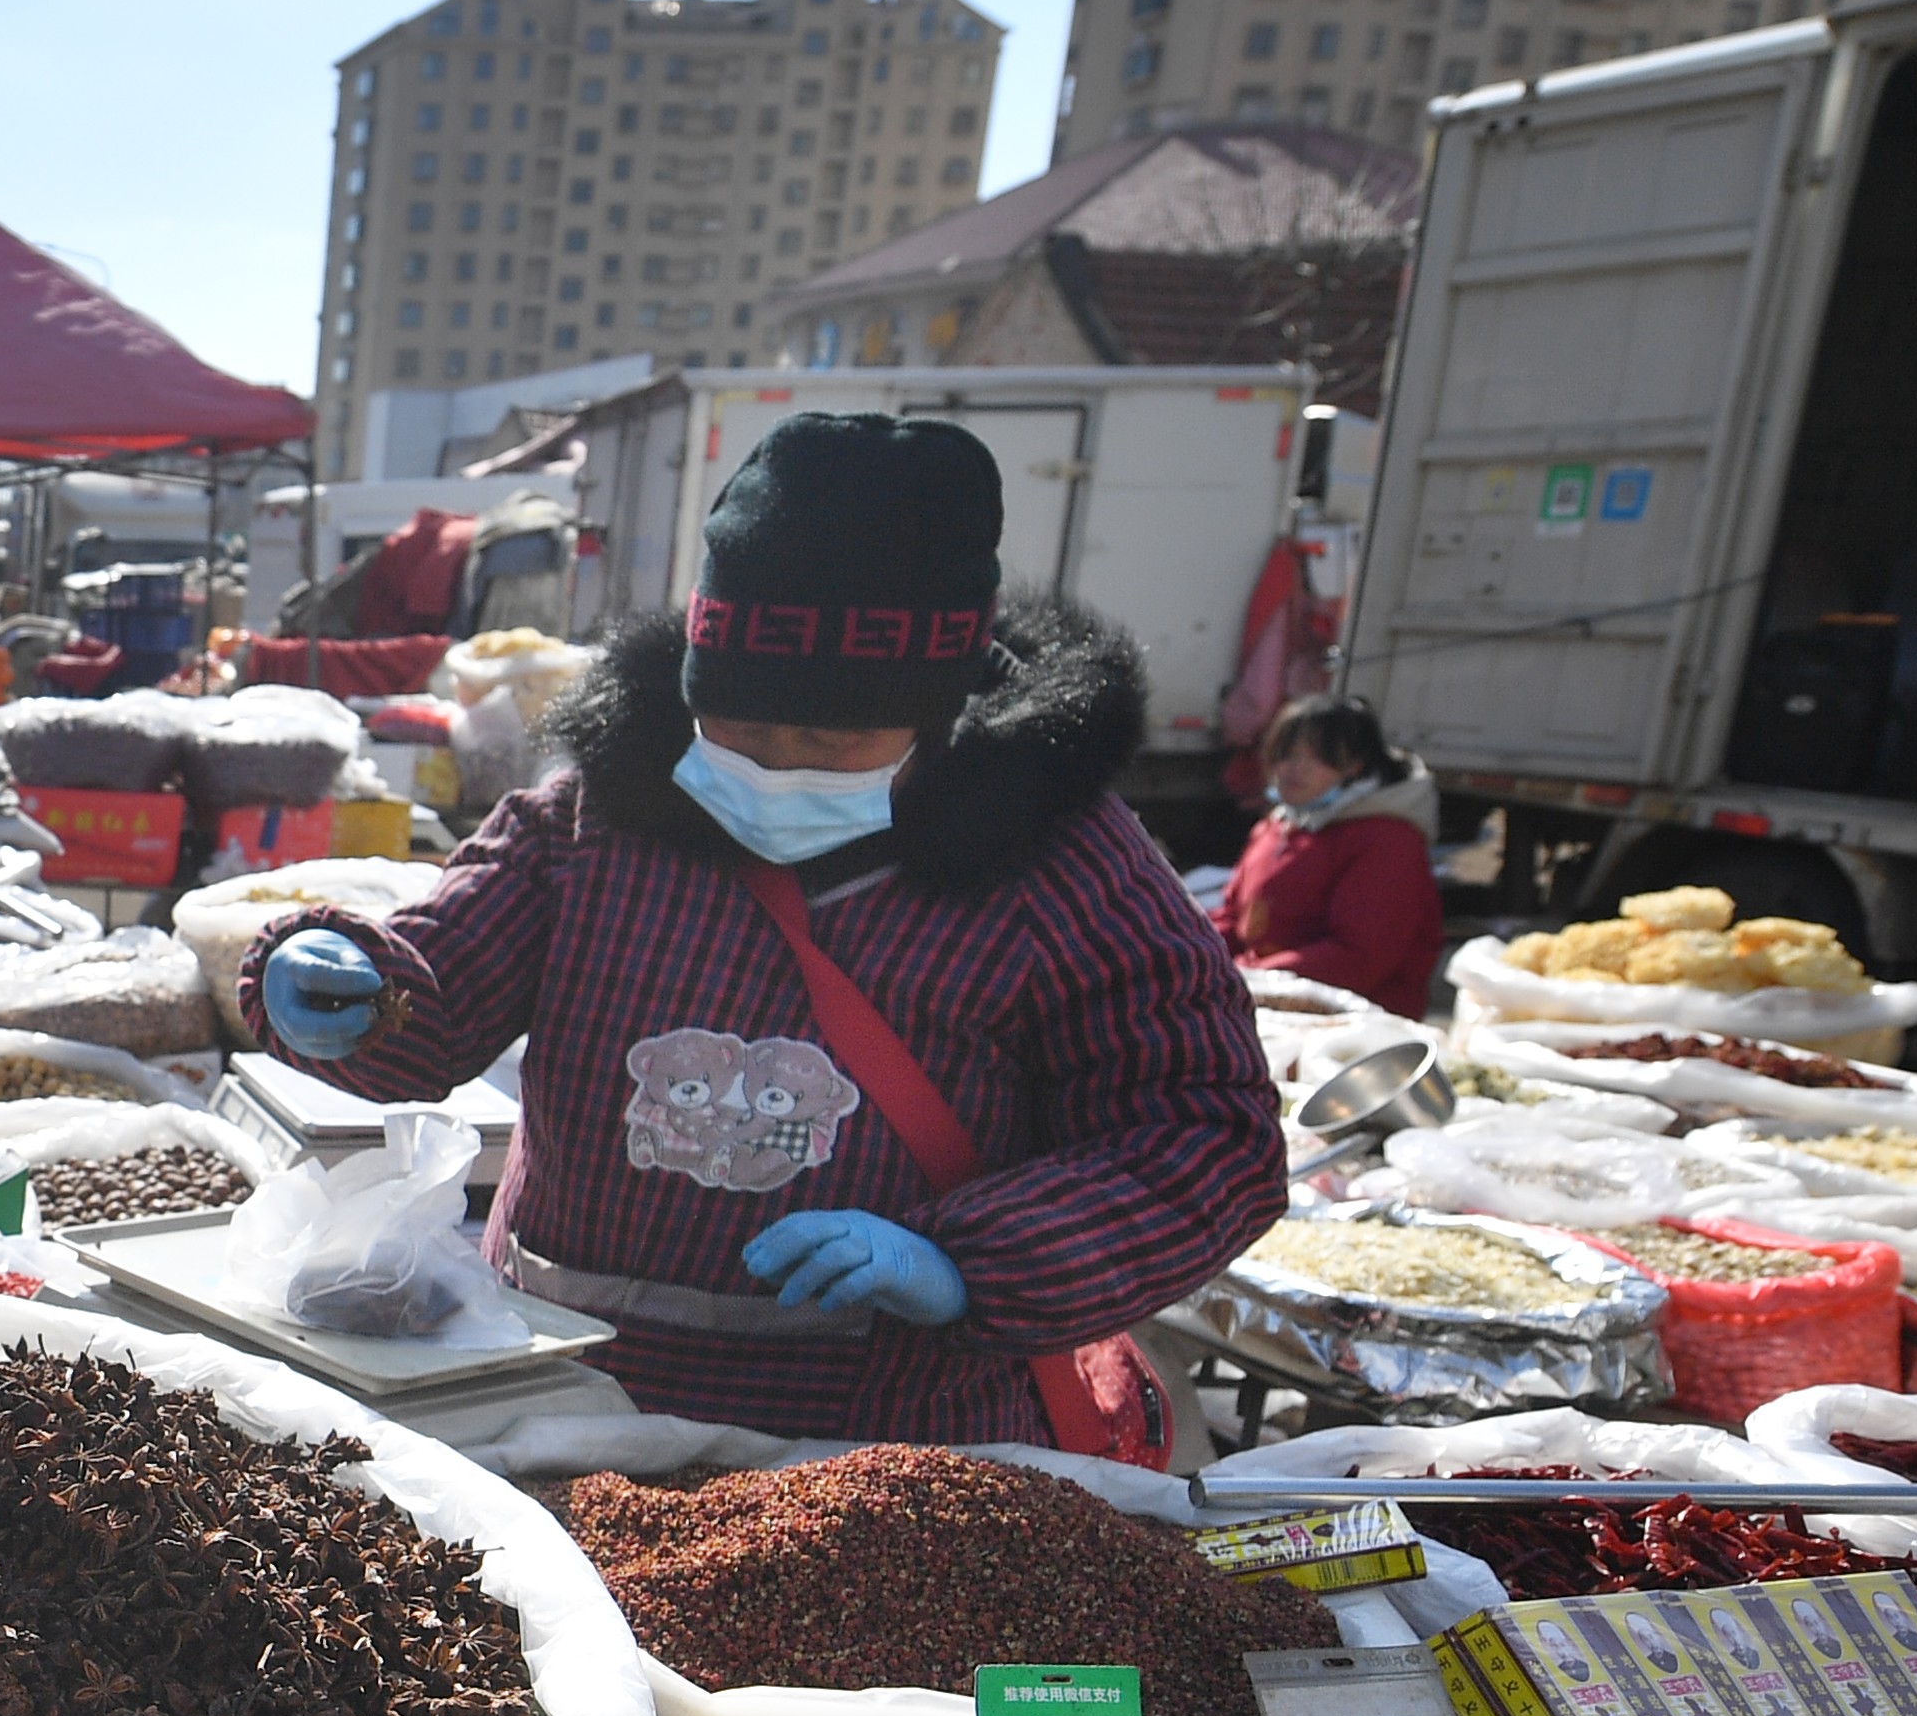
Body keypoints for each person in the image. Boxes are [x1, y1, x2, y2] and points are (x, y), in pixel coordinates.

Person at [244, 413, 1279, 1457]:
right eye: (739, 728)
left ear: (940, 706)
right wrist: (357, 984)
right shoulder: (600, 812)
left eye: (831, 737)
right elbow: (439, 988)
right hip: (563, 1402)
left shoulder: (1064, 864)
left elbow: (1204, 1134)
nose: (779, 763)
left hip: (885, 1446)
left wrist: (974, 1260)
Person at [1215, 694, 1440, 1015]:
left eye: (1319, 758)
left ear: (1354, 766)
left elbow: (1359, 957)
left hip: (1353, 1027)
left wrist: (1251, 980)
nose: (1296, 770)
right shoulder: (1277, 826)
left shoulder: (1387, 839)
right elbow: (1232, 919)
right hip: (1261, 1003)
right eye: (1288, 755)